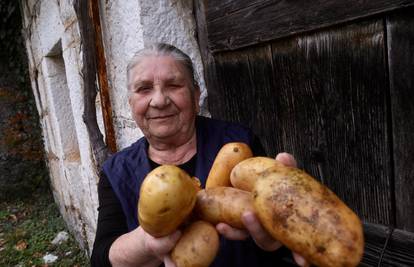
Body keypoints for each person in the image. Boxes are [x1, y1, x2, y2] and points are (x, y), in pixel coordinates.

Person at [91, 43, 308, 267]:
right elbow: (101, 259)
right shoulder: (116, 171)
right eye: (144, 89)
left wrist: (277, 237)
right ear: (131, 104)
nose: (159, 100)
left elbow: (278, 237)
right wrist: (147, 244)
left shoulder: (238, 143)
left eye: (173, 85)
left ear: (195, 96)